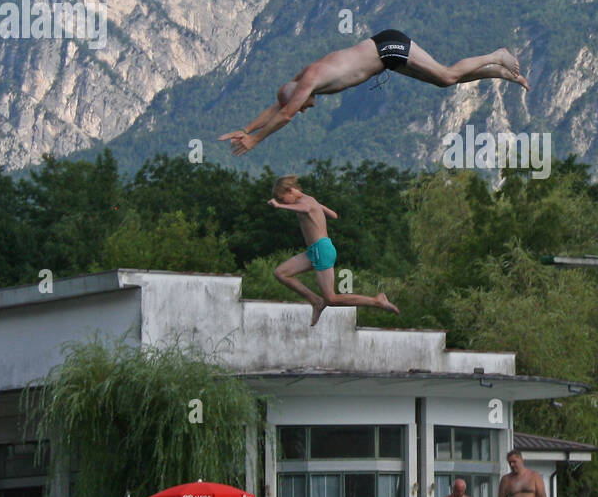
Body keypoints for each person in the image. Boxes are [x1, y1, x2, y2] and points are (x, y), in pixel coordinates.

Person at [219, 32, 528, 155]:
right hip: (386, 61)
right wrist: (246, 128)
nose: (304, 109)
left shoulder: (308, 81)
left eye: (302, 105)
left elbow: (285, 113)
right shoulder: (300, 82)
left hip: (386, 47)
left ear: (299, 95)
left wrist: (255, 141)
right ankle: (498, 72)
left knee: (447, 74)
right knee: (443, 82)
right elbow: (279, 107)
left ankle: (495, 55)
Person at [268, 175, 399, 325]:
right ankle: (315, 300)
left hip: (321, 250)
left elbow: (306, 208)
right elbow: (333, 215)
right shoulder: (311, 200)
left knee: (331, 298)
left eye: (283, 198)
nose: (283, 202)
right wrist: (319, 213)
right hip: (314, 251)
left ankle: (377, 301)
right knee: (281, 273)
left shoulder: (305, 202)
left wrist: (280, 207)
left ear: (291, 190)